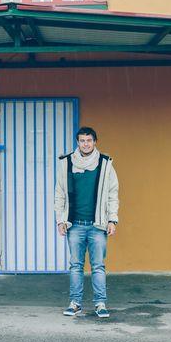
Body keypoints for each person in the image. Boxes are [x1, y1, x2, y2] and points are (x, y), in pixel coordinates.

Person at [54, 126, 119, 318]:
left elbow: (112, 195)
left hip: (98, 224)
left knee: (98, 266)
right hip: (74, 224)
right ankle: (75, 303)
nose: (86, 144)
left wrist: (112, 220)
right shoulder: (66, 163)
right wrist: (60, 220)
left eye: (89, 140)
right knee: (75, 265)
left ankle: (100, 303)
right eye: (82, 140)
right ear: (78, 142)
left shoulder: (105, 164)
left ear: (95, 142)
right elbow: (59, 194)